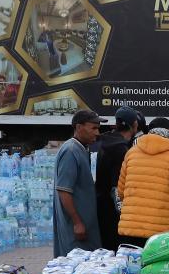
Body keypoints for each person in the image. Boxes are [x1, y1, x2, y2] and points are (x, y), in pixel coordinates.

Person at [54, 110, 103, 257]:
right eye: (93, 128)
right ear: (79, 127)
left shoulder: (81, 148)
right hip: (75, 229)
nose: (97, 133)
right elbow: (64, 190)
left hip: (84, 226)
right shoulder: (70, 151)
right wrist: (77, 222)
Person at [95, 106, 140, 251]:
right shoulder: (120, 149)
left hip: (101, 206)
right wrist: (122, 215)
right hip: (113, 213)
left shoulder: (106, 141)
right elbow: (116, 188)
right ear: (134, 125)